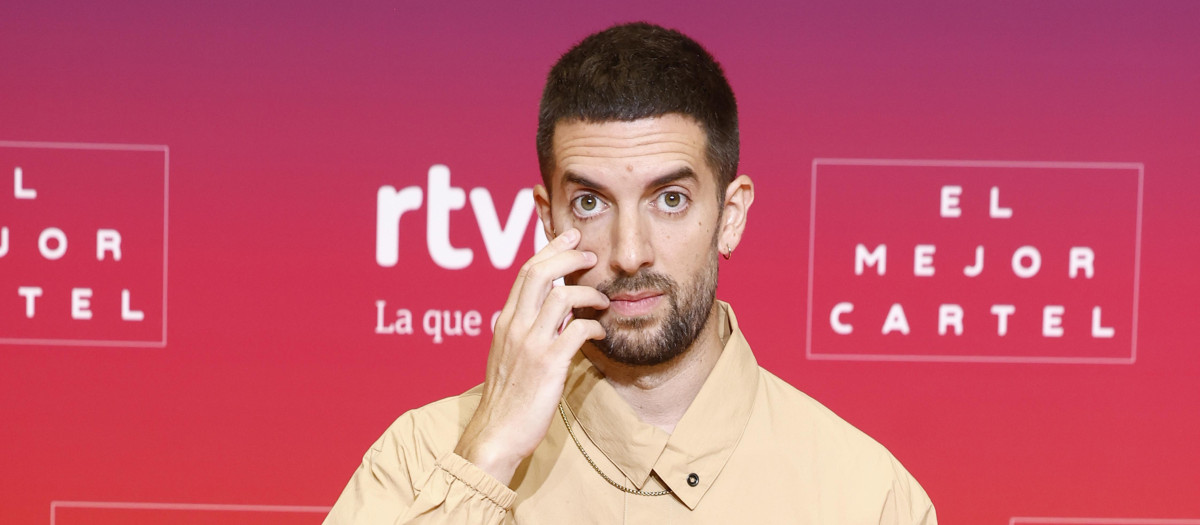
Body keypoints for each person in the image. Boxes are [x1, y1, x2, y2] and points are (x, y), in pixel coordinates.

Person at [325, 22, 936, 524]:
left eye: (669, 199)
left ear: (731, 216)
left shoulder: (866, 497)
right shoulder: (421, 457)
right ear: (547, 221)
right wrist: (487, 457)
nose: (630, 252)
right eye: (591, 202)